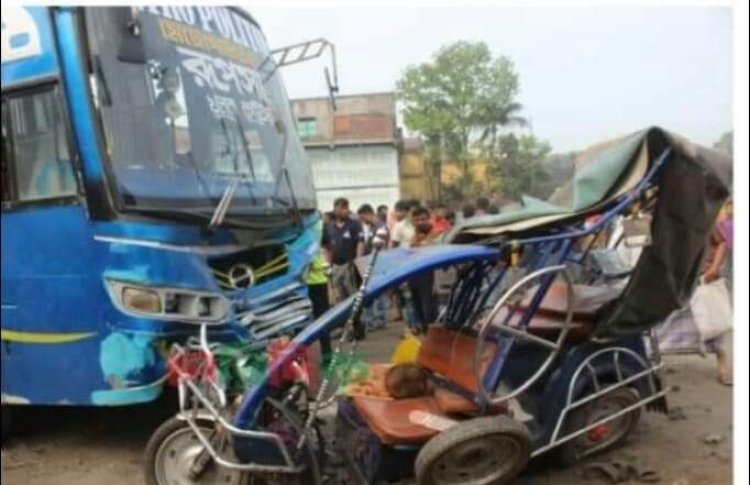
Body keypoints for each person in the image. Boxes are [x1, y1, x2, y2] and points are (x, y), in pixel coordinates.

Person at [699, 201, 733, 385]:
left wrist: (713, 268)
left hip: (706, 277)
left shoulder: (705, 221)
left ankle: (723, 366)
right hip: (688, 280)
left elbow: (722, 243)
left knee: (714, 323)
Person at [404, 206, 438, 333]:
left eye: (423, 219)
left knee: (428, 308)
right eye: (417, 220)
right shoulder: (414, 236)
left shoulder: (436, 233)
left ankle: (432, 334)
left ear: (428, 219)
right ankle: (425, 332)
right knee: (417, 306)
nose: (420, 223)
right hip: (415, 274)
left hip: (430, 275)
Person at [323, 198, 364, 303]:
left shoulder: (354, 225)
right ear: (336, 209)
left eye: (346, 208)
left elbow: (360, 242)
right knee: (339, 296)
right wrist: (328, 265)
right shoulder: (329, 228)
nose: (346, 210)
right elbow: (328, 248)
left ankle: (357, 318)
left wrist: (358, 261)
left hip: (349, 265)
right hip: (336, 267)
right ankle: (345, 318)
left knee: (353, 294)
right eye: (343, 208)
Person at [357, 204, 388, 330]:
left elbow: (381, 246)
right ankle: (375, 318)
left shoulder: (380, 227)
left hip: (378, 261)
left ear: (367, 214)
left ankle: (379, 318)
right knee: (373, 291)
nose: (362, 221)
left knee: (377, 291)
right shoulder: (372, 228)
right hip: (371, 260)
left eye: (362, 217)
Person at [306, 221, 333, 365]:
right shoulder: (320, 224)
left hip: (304, 282)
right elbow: (328, 248)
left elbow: (328, 248)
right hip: (317, 280)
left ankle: (301, 359)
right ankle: (327, 355)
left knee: (301, 324)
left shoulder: (295, 224)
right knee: (322, 320)